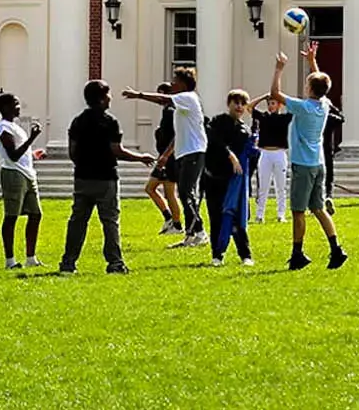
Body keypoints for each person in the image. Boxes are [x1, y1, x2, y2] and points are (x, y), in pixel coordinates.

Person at [58, 79, 153, 274]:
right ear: (102, 99)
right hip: (106, 177)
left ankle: (68, 262)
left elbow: (72, 151)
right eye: (108, 95)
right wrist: (141, 157)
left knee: (77, 221)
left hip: (82, 177)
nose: (110, 98)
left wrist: (83, 164)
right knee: (110, 221)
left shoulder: (78, 121)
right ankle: (115, 263)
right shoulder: (110, 122)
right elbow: (117, 150)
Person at [268, 43, 347, 269]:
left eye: (307, 83)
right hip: (318, 163)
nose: (304, 85)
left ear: (311, 89)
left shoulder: (303, 107)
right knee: (319, 208)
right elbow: (321, 84)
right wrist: (313, 61)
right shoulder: (324, 104)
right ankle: (336, 250)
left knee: (298, 211)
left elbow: (274, 94)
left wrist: (279, 68)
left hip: (303, 165)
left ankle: (298, 254)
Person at [125, 68, 208, 245]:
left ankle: (200, 233)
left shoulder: (188, 97)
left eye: (174, 81)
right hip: (186, 152)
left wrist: (138, 95)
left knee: (186, 193)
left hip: (194, 151)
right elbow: (176, 128)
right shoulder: (182, 104)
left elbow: (163, 99)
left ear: (184, 84)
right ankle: (191, 235)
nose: (171, 84)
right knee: (185, 193)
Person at [0, 91, 44, 269]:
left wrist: (33, 154)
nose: (18, 107)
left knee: (36, 214)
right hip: (13, 174)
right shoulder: (3, 128)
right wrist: (32, 139)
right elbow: (13, 156)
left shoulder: (15, 127)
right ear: (5, 107)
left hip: (27, 174)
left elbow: (19, 152)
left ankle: (31, 258)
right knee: (11, 217)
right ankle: (10, 261)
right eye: (15, 104)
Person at [204, 90, 257, 267]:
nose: (239, 107)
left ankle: (245, 254)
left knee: (237, 218)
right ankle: (217, 255)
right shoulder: (218, 122)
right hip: (214, 178)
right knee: (216, 218)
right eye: (236, 103)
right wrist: (230, 155)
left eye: (242, 103)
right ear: (229, 104)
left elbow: (249, 159)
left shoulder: (245, 131)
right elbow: (214, 141)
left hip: (234, 182)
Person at [142, 85, 180, 234]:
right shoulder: (167, 112)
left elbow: (175, 135)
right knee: (150, 188)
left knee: (170, 192)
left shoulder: (171, 112)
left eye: (159, 95)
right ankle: (168, 217)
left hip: (169, 158)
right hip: (162, 157)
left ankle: (177, 225)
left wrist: (166, 155)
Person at [252, 92, 293, 225]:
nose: (270, 106)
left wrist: (281, 97)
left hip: (279, 153)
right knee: (263, 186)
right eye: (269, 104)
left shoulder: (284, 118)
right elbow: (249, 107)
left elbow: (293, 109)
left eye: (273, 103)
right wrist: (263, 97)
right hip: (265, 153)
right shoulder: (263, 117)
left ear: (279, 105)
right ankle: (259, 214)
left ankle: (281, 214)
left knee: (280, 186)